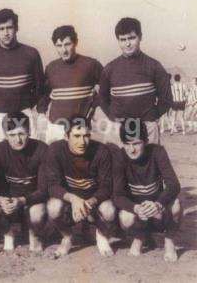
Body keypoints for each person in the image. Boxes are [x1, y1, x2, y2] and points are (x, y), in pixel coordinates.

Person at [112, 119, 182, 262]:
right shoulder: (120, 156)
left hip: (157, 208)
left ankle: (169, 240)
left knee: (176, 205)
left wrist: (158, 203)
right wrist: (135, 208)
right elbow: (117, 195)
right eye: (127, 144)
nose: (131, 149)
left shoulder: (157, 151)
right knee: (125, 217)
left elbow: (174, 184)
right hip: (138, 210)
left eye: (136, 143)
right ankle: (140, 237)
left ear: (146, 140)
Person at [46, 116, 116, 258]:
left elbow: (107, 186)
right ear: (66, 136)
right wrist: (73, 199)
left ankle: (101, 235)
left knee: (109, 210)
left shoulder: (101, 151)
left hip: (94, 199)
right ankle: (67, 237)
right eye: (76, 136)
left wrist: (90, 202)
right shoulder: (55, 149)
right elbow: (52, 185)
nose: (82, 142)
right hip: (70, 200)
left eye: (86, 136)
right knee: (53, 207)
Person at [0, 9, 45, 151]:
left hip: (23, 114)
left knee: (26, 158)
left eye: (9, 27)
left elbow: (39, 87)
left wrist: (25, 105)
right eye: (1, 29)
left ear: (16, 28)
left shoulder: (31, 54)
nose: (6, 33)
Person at [98, 17, 172, 145]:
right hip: (118, 128)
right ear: (118, 41)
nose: (127, 44)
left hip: (147, 128)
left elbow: (166, 99)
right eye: (123, 39)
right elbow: (102, 98)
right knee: (116, 164)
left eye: (132, 38)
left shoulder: (154, 66)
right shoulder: (109, 68)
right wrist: (113, 117)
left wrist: (151, 118)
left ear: (140, 37)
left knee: (148, 164)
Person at [0, 112, 48, 252]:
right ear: (5, 134)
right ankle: (8, 233)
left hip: (31, 202)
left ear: (29, 132)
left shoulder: (42, 149)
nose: (18, 140)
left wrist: (22, 200)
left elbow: (45, 190)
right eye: (12, 135)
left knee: (38, 212)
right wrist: (0, 200)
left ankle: (34, 234)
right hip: (8, 204)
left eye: (22, 134)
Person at [38, 25, 102, 144]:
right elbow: (43, 95)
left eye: (67, 44)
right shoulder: (51, 68)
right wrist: (42, 113)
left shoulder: (91, 65)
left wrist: (95, 106)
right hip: (56, 127)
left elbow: (105, 88)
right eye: (59, 45)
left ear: (75, 42)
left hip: (81, 127)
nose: (64, 50)